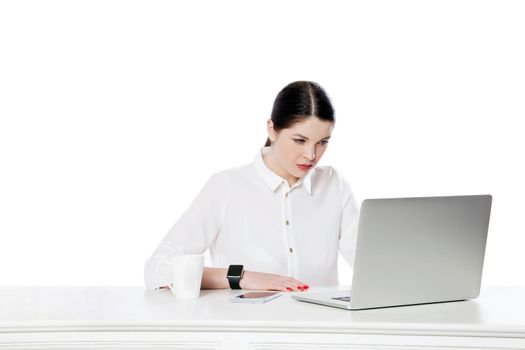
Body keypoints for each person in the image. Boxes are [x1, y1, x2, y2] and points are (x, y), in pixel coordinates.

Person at [144, 81, 359, 292]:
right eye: (299, 140)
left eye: (323, 142)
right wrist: (243, 277)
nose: (311, 155)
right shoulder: (227, 186)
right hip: (250, 325)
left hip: (321, 325)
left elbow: (371, 264)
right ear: (272, 129)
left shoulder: (334, 184)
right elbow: (158, 270)